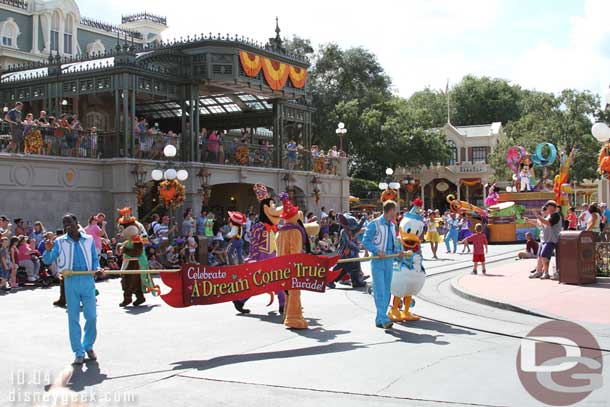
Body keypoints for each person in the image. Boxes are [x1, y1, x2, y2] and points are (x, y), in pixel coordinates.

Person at [43, 213, 101, 365]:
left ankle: (88, 345)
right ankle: (78, 351)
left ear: (76, 222)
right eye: (64, 223)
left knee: (92, 316)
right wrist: (48, 250)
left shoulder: (88, 240)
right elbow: (48, 260)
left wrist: (97, 269)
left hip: (88, 281)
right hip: (70, 281)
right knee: (73, 317)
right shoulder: (59, 242)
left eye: (69, 222)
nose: (67, 225)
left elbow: (95, 260)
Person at [362, 200, 405, 329]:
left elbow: (392, 244)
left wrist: (398, 253)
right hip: (378, 260)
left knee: (387, 290)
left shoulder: (392, 226)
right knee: (379, 289)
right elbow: (365, 241)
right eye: (395, 210)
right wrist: (376, 250)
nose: (396, 213)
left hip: (389, 260)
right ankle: (384, 318)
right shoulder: (374, 224)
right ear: (391, 210)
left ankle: (380, 319)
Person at [527, 201, 562, 280]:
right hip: (545, 239)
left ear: (552, 207)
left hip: (552, 240)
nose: (547, 208)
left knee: (544, 256)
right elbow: (540, 222)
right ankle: (539, 272)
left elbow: (547, 223)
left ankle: (546, 273)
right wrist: (529, 220)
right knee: (540, 256)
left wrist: (537, 215)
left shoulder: (556, 215)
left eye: (548, 206)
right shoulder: (549, 215)